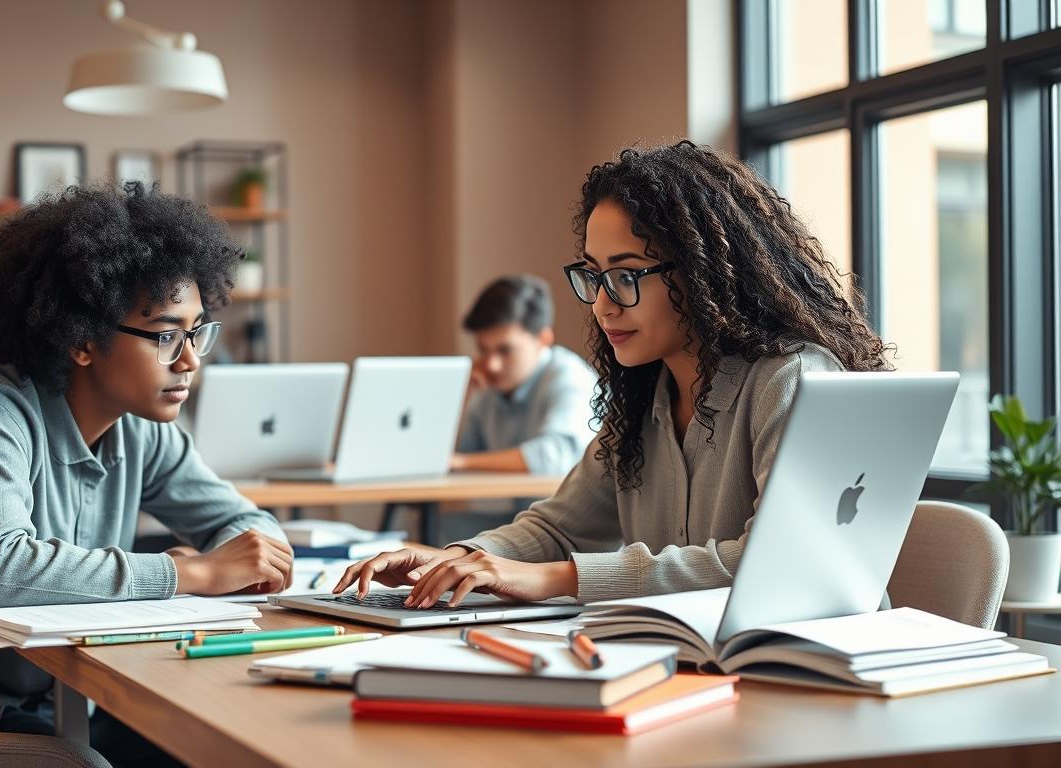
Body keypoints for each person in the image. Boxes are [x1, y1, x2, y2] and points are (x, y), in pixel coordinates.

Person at [0, 184, 293, 767]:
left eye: (197, 331)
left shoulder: (142, 429)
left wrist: (255, 557)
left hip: (53, 700)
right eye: (164, 336)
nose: (189, 360)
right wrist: (191, 571)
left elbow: (241, 522)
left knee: (220, 745)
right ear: (83, 339)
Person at [335, 141, 890, 608]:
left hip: (809, 679)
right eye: (594, 276)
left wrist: (555, 579)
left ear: (702, 274)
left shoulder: (790, 378)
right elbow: (556, 529)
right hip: (694, 671)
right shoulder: (647, 396)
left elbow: (776, 559)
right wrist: (453, 558)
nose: (602, 306)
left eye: (625, 276)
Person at [452, 274, 597, 477]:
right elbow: (452, 457)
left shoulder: (571, 378)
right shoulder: (486, 389)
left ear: (543, 339)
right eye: (483, 349)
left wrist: (461, 462)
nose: (492, 364)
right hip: (517, 508)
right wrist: (463, 397)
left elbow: (554, 456)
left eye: (505, 350)